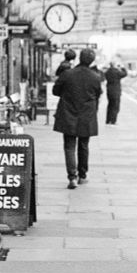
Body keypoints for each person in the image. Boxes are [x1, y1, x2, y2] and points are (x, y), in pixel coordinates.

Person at [52, 47, 102, 189]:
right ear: (92, 61)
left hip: (68, 115)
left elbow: (55, 91)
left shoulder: (67, 74)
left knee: (69, 147)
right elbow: (98, 95)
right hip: (87, 116)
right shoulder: (96, 77)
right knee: (84, 146)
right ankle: (83, 176)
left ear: (79, 58)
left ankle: (72, 177)